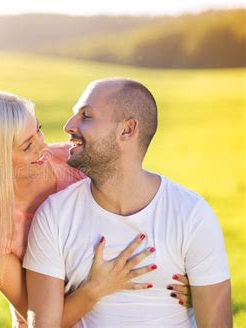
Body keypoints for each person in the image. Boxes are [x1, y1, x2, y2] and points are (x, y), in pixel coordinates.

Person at [0, 90, 192, 326]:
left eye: (38, 130)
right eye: (27, 146)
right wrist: (97, 287)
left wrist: (183, 284)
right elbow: (41, 319)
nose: (43, 146)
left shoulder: (72, 161)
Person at [23, 78, 232, 327]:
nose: (68, 126)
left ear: (127, 130)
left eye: (86, 115)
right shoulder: (54, 215)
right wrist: (93, 289)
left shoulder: (191, 214)